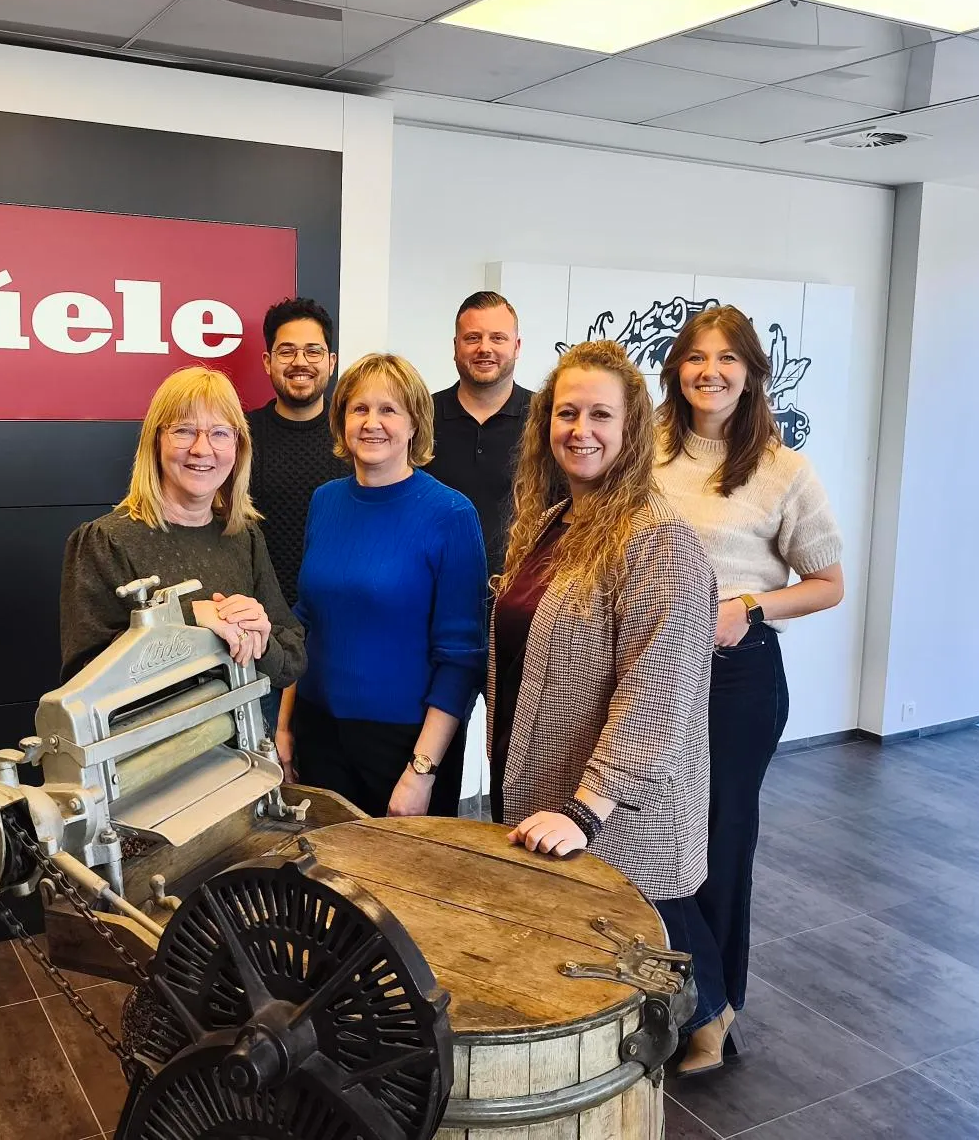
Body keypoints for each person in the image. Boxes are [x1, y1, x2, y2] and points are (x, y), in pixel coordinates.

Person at [490, 340, 726, 1062]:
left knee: (651, 919)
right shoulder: (554, 519)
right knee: (602, 923)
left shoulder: (657, 540)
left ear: (632, 429)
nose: (580, 430)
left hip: (617, 795)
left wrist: (587, 806)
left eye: (600, 415)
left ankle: (708, 1023)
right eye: (566, 413)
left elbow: (658, 688)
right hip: (545, 764)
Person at [654, 305, 844, 1075]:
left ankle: (715, 1007)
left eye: (727, 358)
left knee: (719, 838)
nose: (710, 371)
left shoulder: (782, 469)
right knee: (644, 832)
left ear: (751, 373)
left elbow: (828, 583)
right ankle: (677, 992)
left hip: (736, 674)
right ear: (675, 368)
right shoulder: (644, 452)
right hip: (651, 664)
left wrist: (749, 607)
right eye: (696, 356)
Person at [277, 353, 487, 818]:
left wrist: (421, 770)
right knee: (324, 861)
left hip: (406, 745)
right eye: (360, 409)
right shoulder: (326, 501)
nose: (372, 423)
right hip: (318, 730)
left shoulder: (451, 515)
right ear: (342, 421)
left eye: (389, 409)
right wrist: (285, 726)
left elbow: (461, 660)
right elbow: (305, 621)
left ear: (414, 424)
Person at [60, 367, 305, 697]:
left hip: (244, 730)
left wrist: (261, 638)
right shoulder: (107, 542)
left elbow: (291, 660)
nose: (202, 449)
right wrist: (189, 618)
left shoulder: (243, 536)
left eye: (220, 433)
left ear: (238, 446)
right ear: (156, 441)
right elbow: (85, 681)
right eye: (184, 431)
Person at [244, 298, 346, 609]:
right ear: (267, 362)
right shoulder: (240, 436)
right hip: (259, 616)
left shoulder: (356, 436)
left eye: (313, 351)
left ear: (331, 362)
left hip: (339, 611)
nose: (300, 362)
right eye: (287, 351)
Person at [425, 291, 532, 580]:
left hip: (522, 592)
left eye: (498, 338)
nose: (485, 348)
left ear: (517, 346)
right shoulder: (421, 417)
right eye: (473, 338)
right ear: (455, 346)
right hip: (434, 588)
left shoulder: (547, 418)